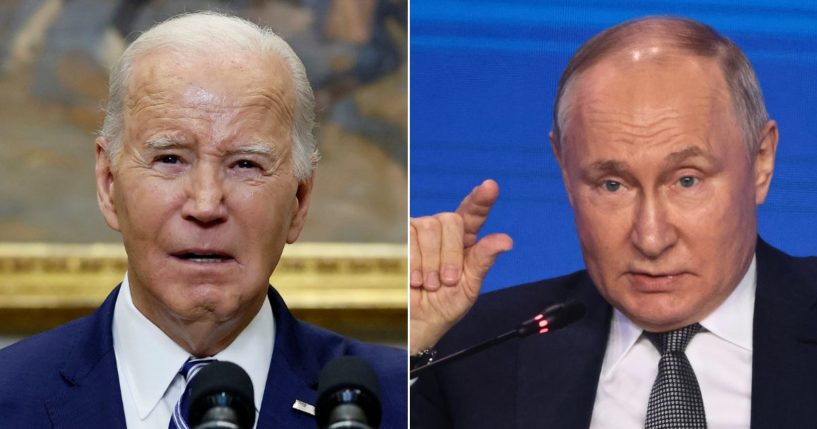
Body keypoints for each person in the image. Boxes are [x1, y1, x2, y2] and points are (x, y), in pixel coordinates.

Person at [0, 12, 406, 429]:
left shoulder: (398, 403)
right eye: (170, 159)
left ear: (299, 200)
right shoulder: (9, 396)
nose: (207, 204)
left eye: (246, 164)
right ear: (108, 184)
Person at [410, 16, 817, 429]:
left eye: (687, 180)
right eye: (612, 185)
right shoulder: (467, 354)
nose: (652, 238)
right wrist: (408, 348)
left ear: (761, 162)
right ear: (565, 171)